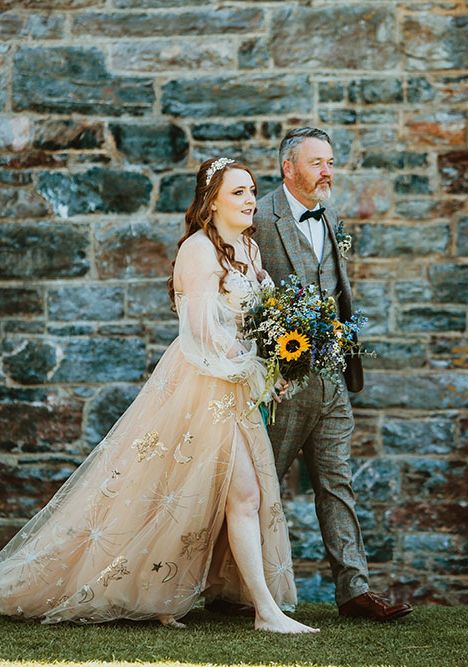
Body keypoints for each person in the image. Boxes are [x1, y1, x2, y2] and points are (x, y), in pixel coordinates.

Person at [0, 158, 318, 634]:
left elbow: (262, 318)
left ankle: (173, 593)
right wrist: (254, 364)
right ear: (211, 202)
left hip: (237, 387)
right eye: (238, 192)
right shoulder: (198, 249)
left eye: (252, 190)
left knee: (203, 494)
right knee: (229, 493)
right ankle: (265, 613)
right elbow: (199, 329)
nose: (251, 199)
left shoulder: (249, 249)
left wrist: (280, 359)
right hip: (204, 385)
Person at [252, 127, 413, 621]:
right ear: (288, 169)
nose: (328, 171)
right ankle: (235, 588)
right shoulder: (257, 218)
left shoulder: (333, 215)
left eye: (330, 161)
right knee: (259, 488)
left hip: (333, 378)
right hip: (280, 383)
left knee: (337, 483)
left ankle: (354, 591)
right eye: (318, 162)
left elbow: (338, 289)